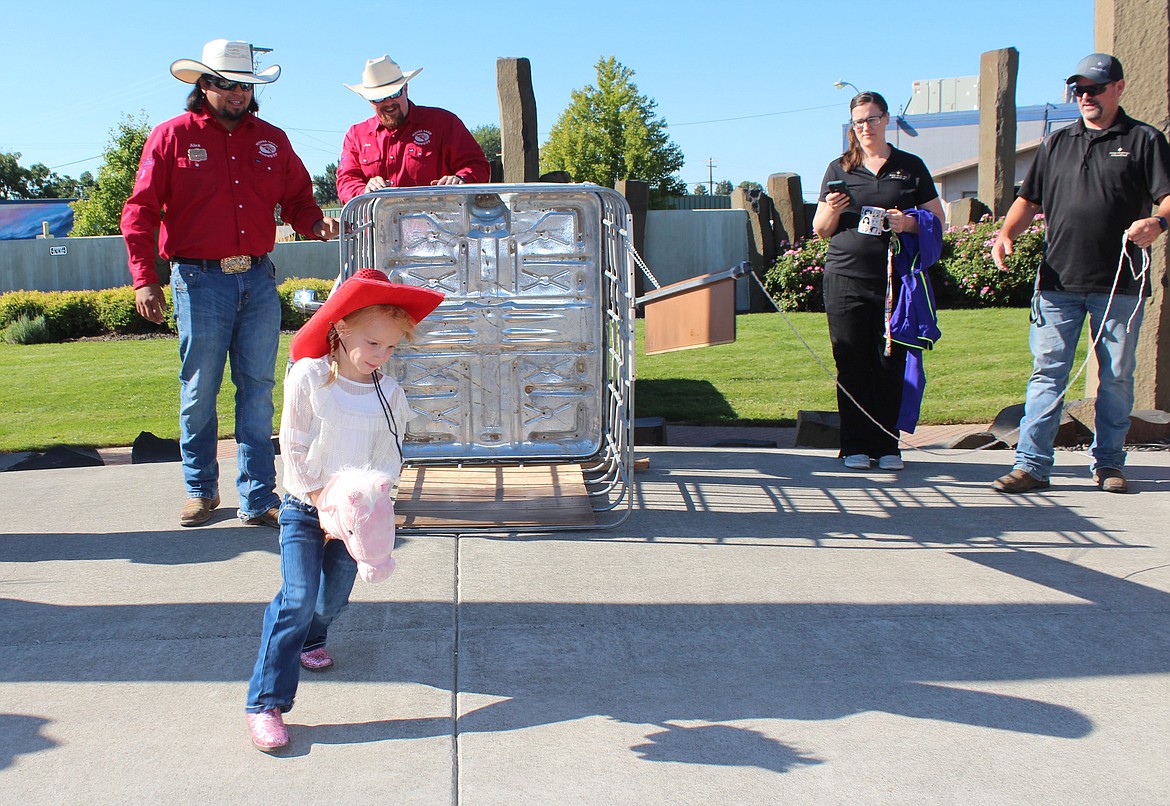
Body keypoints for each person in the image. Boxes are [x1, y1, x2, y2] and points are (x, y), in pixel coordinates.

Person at [121, 39, 339, 528]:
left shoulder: (272, 140)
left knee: (258, 390)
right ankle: (200, 490)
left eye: (244, 85)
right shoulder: (171, 136)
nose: (236, 93)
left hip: (258, 278)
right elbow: (139, 211)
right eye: (225, 84)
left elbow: (299, 200)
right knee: (199, 389)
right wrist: (144, 280)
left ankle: (258, 497)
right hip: (197, 279)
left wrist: (316, 223)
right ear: (203, 85)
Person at [245, 268, 444, 752]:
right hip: (304, 506)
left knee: (331, 597)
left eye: (393, 348)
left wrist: (369, 504)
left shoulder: (388, 392)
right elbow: (292, 446)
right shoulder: (311, 377)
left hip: (358, 515)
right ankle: (265, 703)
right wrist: (322, 503)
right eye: (374, 345)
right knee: (296, 596)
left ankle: (313, 638)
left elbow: (389, 455)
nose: (383, 357)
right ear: (341, 329)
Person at [991, 54, 1170, 495]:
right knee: (1047, 372)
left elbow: (1168, 199)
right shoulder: (1056, 142)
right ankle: (1031, 465)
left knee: (1117, 376)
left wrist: (1158, 223)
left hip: (1120, 284)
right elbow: (1029, 199)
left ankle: (1109, 463)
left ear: (1119, 88)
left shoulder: (1144, 139)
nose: (1085, 96)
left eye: (1094, 88)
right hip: (1057, 283)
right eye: (1079, 89)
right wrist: (1005, 234)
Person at [812, 91, 946, 471]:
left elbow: (938, 220)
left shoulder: (910, 166)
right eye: (858, 122)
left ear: (887, 120)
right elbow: (821, 230)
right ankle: (853, 444)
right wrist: (834, 211)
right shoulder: (840, 168)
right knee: (851, 359)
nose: (865, 128)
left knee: (891, 360)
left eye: (871, 119)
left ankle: (888, 445)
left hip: (895, 280)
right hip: (846, 276)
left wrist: (908, 223)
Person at [335, 55, 490, 203]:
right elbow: (346, 181)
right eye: (379, 98)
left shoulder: (443, 123)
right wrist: (365, 191)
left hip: (438, 226)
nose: (389, 102)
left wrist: (461, 180)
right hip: (378, 228)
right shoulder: (356, 135)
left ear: (406, 88)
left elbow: (477, 165)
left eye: (394, 93)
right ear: (368, 100)